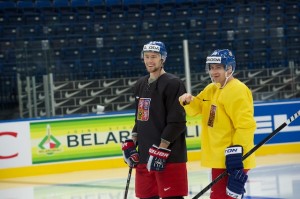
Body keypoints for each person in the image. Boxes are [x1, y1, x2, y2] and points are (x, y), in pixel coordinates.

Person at [178, 49, 256, 199]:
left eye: (218, 67)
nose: (213, 71)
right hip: (219, 158)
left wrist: (236, 154)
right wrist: (188, 101)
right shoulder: (212, 88)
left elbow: (245, 125)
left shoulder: (237, 90)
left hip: (232, 160)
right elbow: (197, 109)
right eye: (211, 67)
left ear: (229, 68)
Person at [122, 41, 188, 199]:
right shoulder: (140, 84)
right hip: (145, 157)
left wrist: (161, 149)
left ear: (162, 59)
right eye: (146, 57)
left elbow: (177, 121)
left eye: (154, 57)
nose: (149, 60)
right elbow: (140, 118)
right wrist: (132, 142)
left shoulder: (173, 84)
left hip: (169, 157)